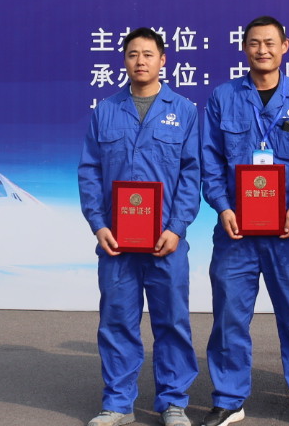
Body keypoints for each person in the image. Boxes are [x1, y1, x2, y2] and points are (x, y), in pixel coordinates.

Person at [199, 16, 289, 426]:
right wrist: (223, 207)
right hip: (235, 230)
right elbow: (210, 158)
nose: (263, 50)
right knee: (229, 316)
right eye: (255, 43)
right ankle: (229, 398)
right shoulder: (223, 97)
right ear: (244, 48)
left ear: (285, 46)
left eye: (270, 43)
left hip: (286, 231)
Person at [76, 27, 200, 426]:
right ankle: (118, 404)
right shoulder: (106, 111)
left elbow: (192, 175)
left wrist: (177, 228)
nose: (140, 61)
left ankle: (174, 403)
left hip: (166, 240)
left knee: (172, 322)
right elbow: (89, 171)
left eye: (148, 54)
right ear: (124, 60)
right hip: (117, 241)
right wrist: (98, 225)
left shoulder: (184, 111)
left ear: (163, 60)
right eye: (133, 54)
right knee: (116, 321)